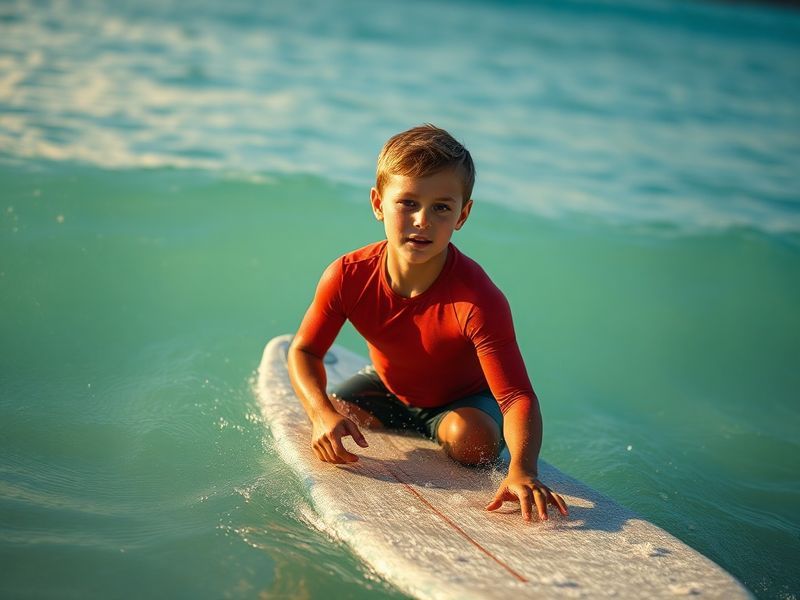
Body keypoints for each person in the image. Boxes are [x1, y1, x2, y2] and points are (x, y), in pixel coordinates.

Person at [288, 124, 568, 522]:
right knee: (335, 415)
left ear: (462, 215)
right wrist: (321, 414)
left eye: (441, 207)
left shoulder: (478, 300)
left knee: (474, 444)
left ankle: (445, 430)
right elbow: (305, 350)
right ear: (377, 203)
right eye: (407, 203)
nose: (422, 220)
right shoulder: (348, 275)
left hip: (463, 400)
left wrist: (523, 469)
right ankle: (387, 415)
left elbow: (517, 397)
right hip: (389, 387)